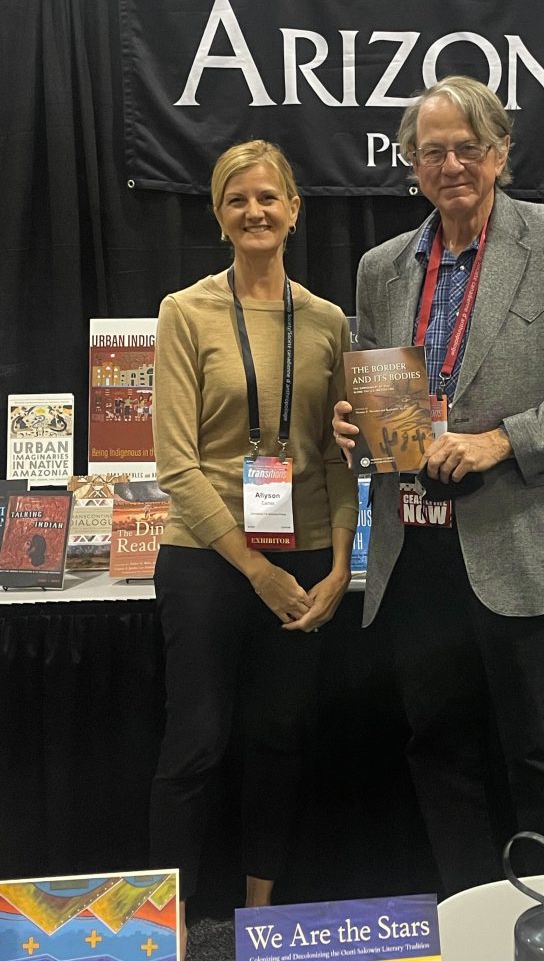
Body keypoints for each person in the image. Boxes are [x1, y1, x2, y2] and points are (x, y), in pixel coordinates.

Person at [333, 76, 544, 894]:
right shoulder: (380, 268)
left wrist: (500, 441)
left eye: (469, 147)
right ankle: (471, 913)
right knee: (437, 748)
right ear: (411, 164)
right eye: (433, 151)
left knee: (540, 752)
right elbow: (380, 397)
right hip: (413, 550)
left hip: (513, 540)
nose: (452, 165)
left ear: (501, 153)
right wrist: (356, 426)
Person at [150, 140, 358, 947]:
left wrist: (339, 563)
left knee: (280, 739)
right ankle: (167, 927)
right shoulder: (185, 312)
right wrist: (255, 568)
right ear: (219, 215)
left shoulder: (328, 321)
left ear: (295, 210)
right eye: (238, 199)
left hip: (304, 557)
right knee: (196, 744)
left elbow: (338, 457)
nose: (255, 211)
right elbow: (177, 465)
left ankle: (259, 921)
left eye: (269, 197)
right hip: (207, 557)